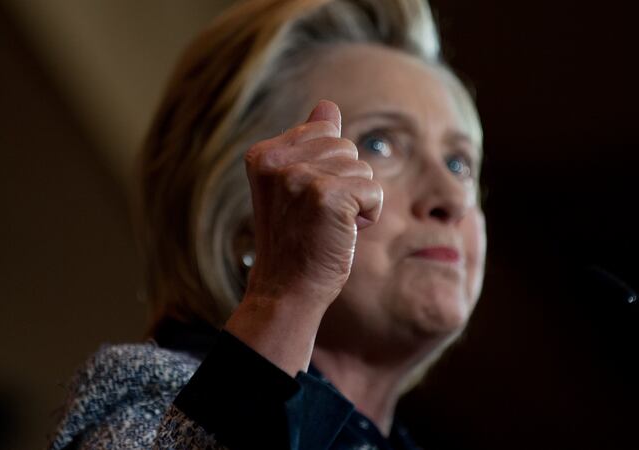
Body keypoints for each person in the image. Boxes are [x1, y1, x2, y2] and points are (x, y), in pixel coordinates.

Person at [49, 0, 485, 448]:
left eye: (458, 163)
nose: (450, 198)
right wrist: (285, 297)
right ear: (248, 213)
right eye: (379, 143)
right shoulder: (149, 401)